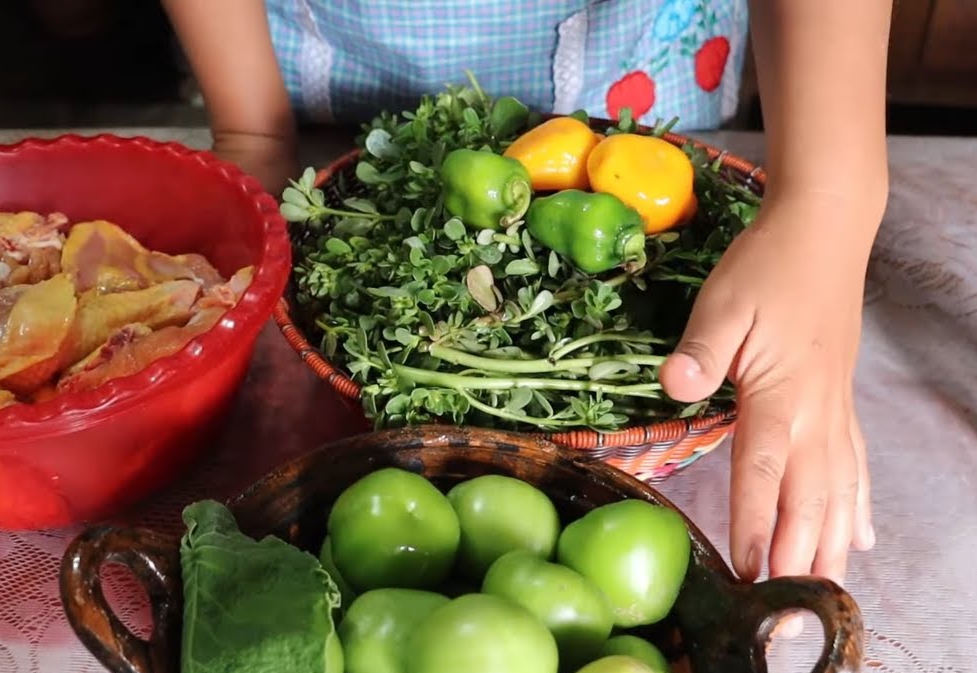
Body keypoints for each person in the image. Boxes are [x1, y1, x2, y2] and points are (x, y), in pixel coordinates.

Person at [163, 0, 889, 590]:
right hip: (321, 85)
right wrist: (251, 128)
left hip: (637, 74)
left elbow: (824, 204)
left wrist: (828, 203)